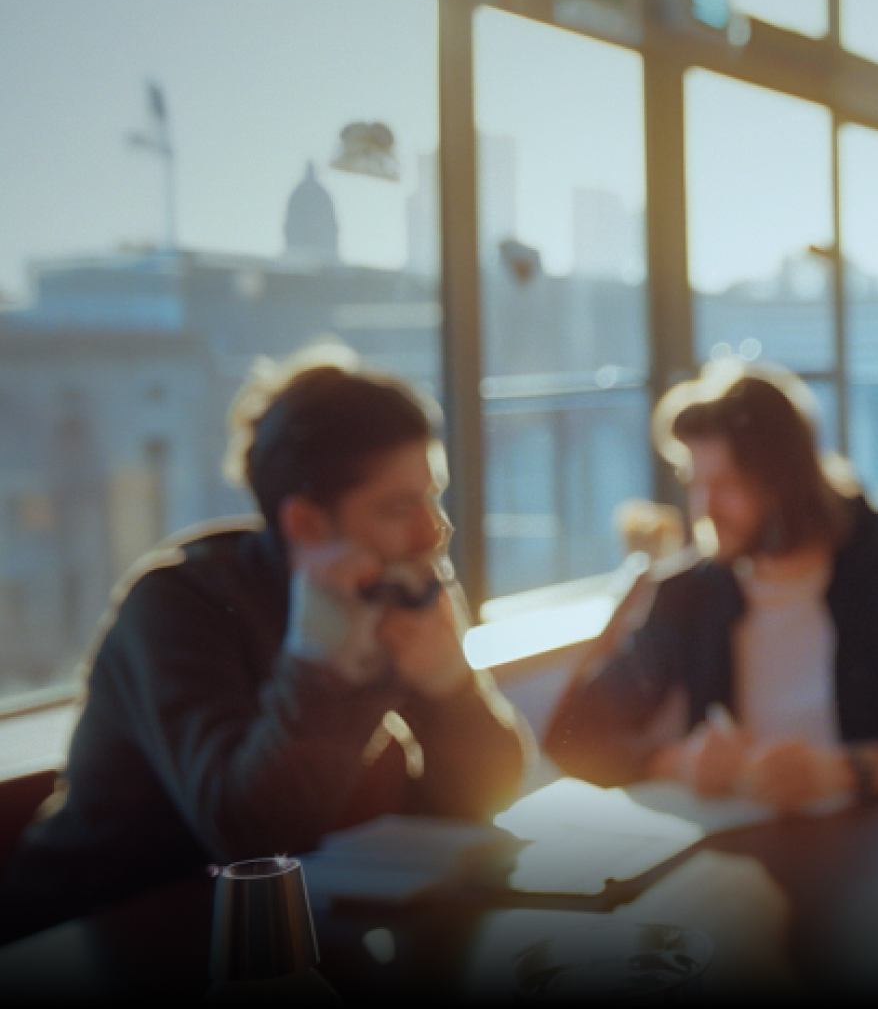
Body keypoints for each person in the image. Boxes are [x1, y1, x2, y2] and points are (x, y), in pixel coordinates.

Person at [0, 346, 529, 943]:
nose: (434, 531)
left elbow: (488, 791)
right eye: (399, 507)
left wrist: (451, 684)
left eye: (433, 496)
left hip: (271, 935)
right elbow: (250, 839)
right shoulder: (177, 605)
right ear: (304, 523)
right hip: (88, 940)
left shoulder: (380, 594)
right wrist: (318, 666)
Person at [544, 361, 878, 810]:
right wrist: (676, 761)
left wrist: (845, 770)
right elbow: (570, 734)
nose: (704, 508)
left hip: (875, 853)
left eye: (725, 485)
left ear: (783, 482)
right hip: (738, 863)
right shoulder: (688, 595)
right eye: (695, 483)